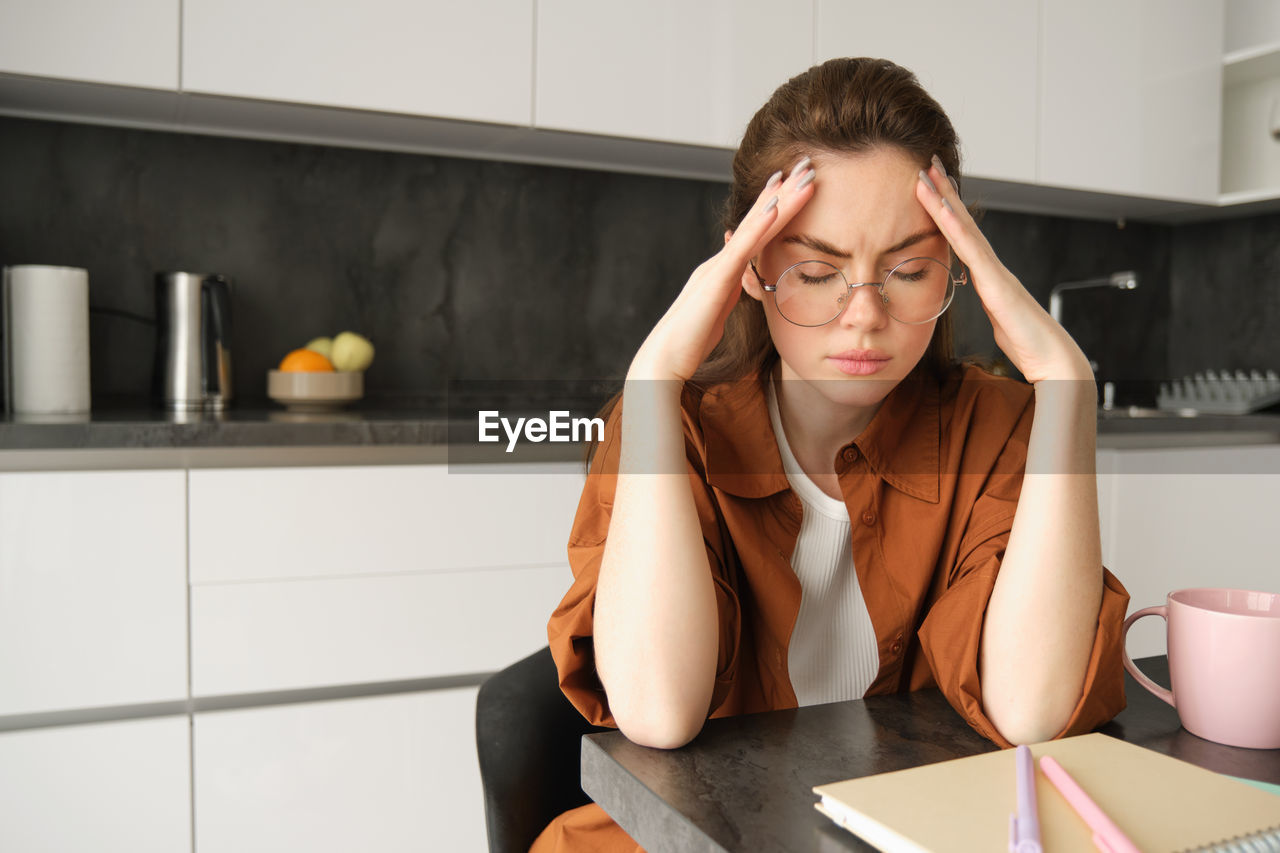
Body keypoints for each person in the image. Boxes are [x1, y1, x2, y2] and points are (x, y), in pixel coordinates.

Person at [530, 57, 1129, 853]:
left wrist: (1065, 383)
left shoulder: (999, 429)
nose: (865, 315)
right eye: (817, 272)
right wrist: (652, 382)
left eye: (909, 270)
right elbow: (658, 711)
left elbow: (1033, 708)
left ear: (958, 264)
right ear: (749, 270)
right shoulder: (672, 431)